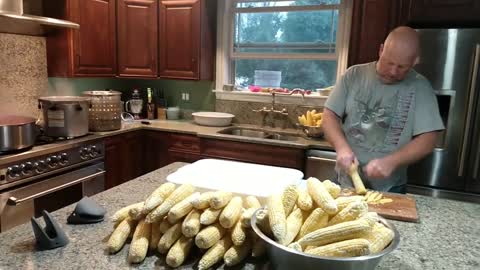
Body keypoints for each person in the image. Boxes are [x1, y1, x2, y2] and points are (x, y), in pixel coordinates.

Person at [323, 26, 445, 193]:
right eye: (389, 62)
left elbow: (429, 139)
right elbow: (329, 115)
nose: (393, 72)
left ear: (415, 61)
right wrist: (341, 147)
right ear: (381, 50)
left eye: (402, 67)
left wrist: (392, 161)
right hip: (343, 180)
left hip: (391, 186)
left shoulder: (420, 87)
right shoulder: (354, 75)